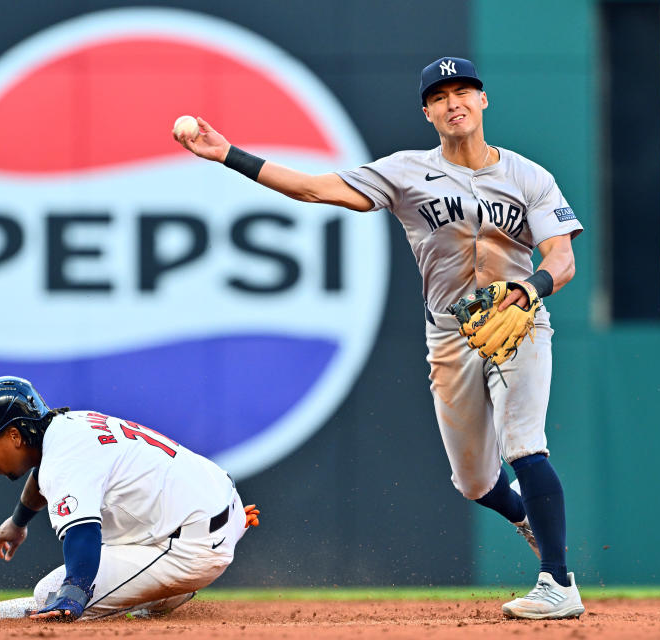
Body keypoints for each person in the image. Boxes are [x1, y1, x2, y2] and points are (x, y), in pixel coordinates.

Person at [174, 56, 583, 619]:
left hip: (520, 321)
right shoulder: (406, 171)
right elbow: (314, 189)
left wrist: (529, 290)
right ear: (427, 112)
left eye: (464, 90)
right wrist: (228, 155)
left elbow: (561, 259)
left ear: (483, 100)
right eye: (440, 96)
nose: (453, 102)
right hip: (450, 335)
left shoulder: (529, 176)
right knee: (473, 482)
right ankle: (527, 520)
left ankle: (557, 581)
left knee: (524, 444)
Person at [0, 375, 260, 621]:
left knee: (48, 592)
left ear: (14, 435)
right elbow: (41, 475)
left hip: (191, 548)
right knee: (119, 534)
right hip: (218, 502)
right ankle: (171, 583)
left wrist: (73, 595)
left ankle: (171, 589)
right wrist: (18, 522)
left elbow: (84, 532)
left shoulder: (65, 458)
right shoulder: (69, 426)